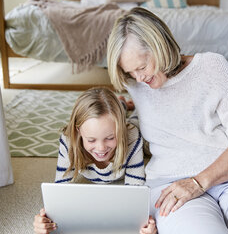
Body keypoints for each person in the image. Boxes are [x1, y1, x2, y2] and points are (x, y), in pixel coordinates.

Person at [107, 7, 228, 234]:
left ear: (160, 46)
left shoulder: (212, 67)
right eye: (131, 72)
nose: (139, 78)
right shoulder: (136, 84)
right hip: (170, 186)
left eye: (142, 67)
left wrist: (198, 182)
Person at [32, 87, 157, 234]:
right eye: (91, 140)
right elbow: (61, 192)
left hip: (130, 126)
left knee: (138, 119)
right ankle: (122, 104)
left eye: (110, 138)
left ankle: (126, 107)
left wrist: (143, 226)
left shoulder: (131, 136)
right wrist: (45, 222)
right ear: (79, 131)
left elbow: (136, 192)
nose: (101, 148)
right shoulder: (69, 140)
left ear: (120, 131)